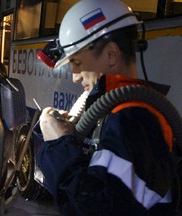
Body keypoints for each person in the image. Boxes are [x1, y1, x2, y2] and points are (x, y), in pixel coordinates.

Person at [37, 0, 179, 215]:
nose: (74, 77)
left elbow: (91, 207)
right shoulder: (120, 111)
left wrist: (58, 145)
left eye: (77, 62)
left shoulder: (131, 117)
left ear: (111, 54)